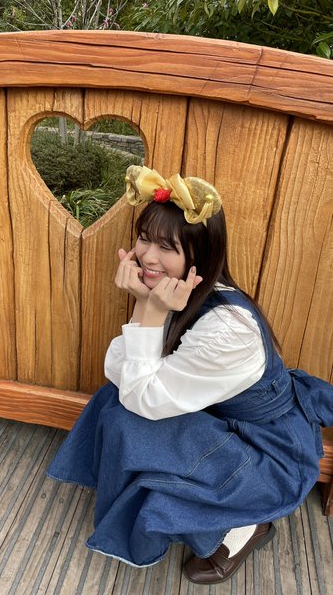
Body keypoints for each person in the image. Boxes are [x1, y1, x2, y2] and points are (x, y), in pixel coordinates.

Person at [47, 165, 333, 584]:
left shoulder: (227, 330)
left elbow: (142, 396)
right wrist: (146, 304)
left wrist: (150, 309)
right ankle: (166, 493)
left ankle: (245, 525)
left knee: (132, 415)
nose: (148, 256)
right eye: (145, 238)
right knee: (118, 402)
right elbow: (120, 372)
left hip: (265, 451)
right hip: (218, 421)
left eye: (167, 247)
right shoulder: (181, 292)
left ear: (199, 255)